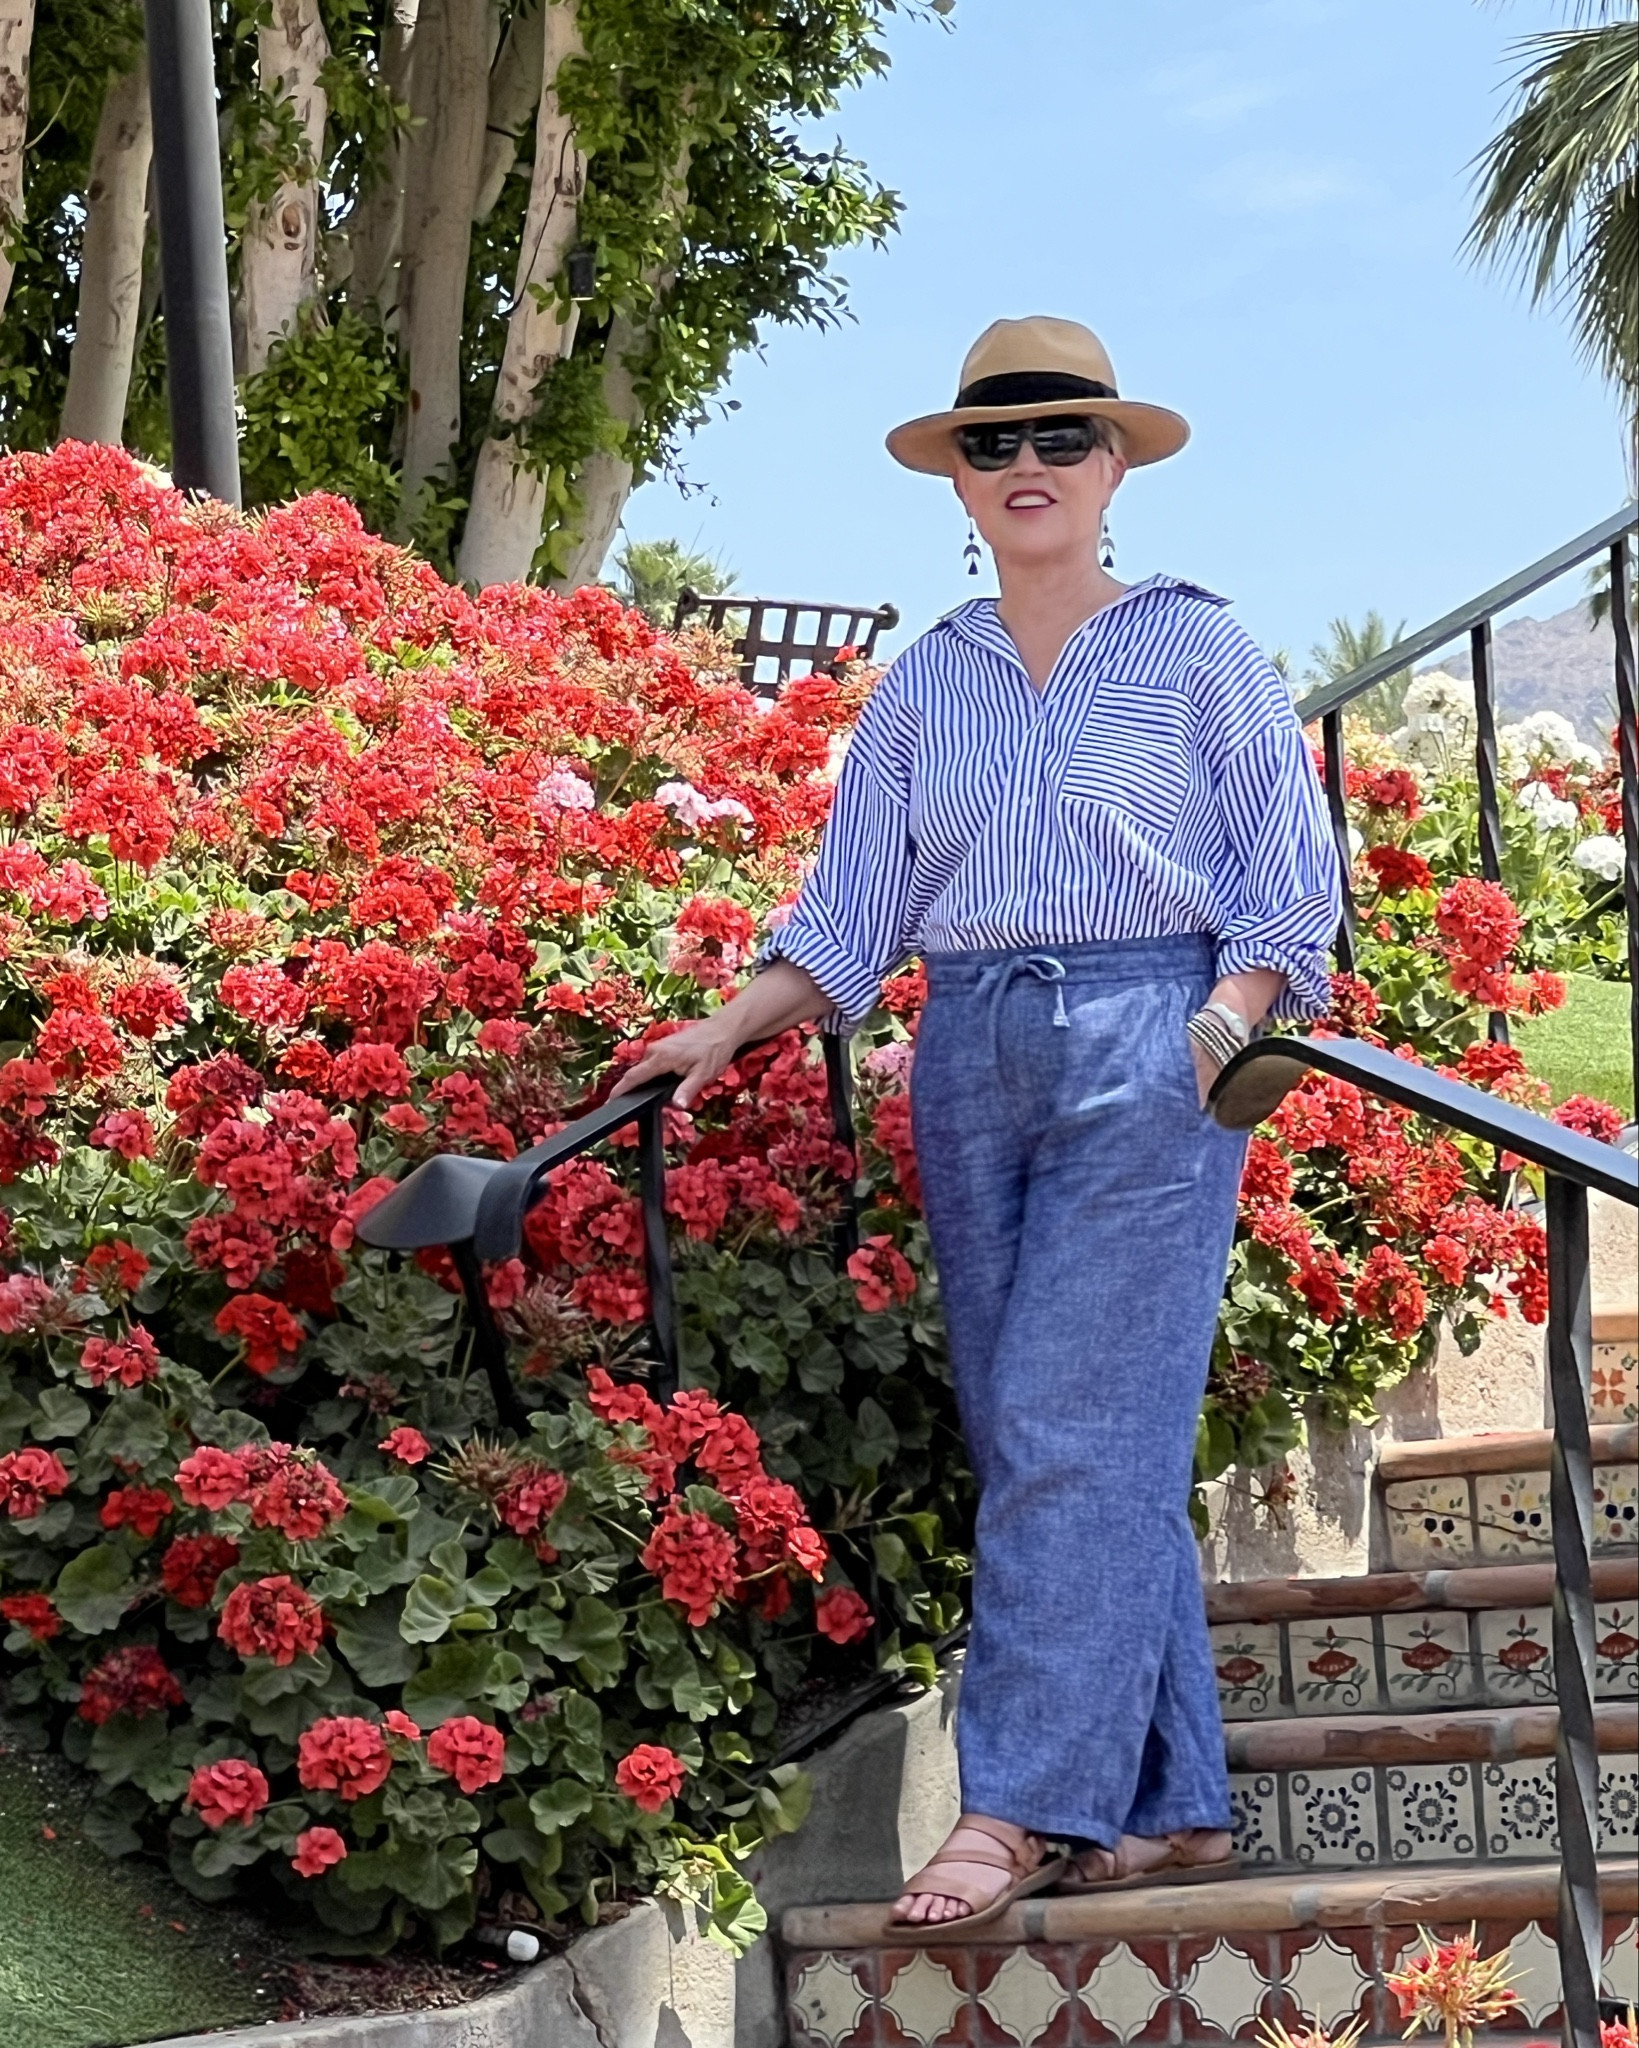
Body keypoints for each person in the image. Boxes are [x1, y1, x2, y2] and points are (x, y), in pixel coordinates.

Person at [615, 316, 1340, 1925]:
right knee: (1052, 1432)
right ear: (956, 480)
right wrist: (724, 1029)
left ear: (1113, 467)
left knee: (1073, 1429)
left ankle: (1010, 1808)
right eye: (993, 443)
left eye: (1061, 437)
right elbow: (850, 914)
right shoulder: (926, 679)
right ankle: (1175, 1806)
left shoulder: (1201, 648)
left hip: (1154, 1036)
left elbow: (1293, 884)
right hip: (970, 1051)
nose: (1027, 464)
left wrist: (1222, 1020)